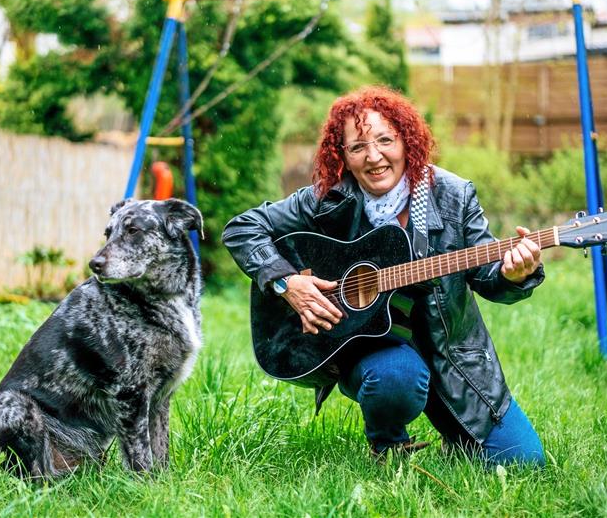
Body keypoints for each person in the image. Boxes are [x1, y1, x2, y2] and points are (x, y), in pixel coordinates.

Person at [222, 86, 545, 467]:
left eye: (385, 140)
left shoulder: (453, 196)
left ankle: (455, 437)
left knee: (524, 462)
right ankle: (388, 444)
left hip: (451, 358)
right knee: (397, 377)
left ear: (407, 141)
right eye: (358, 147)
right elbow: (242, 229)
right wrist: (286, 282)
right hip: (371, 350)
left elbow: (489, 278)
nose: (374, 157)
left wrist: (513, 274)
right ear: (342, 155)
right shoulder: (327, 200)